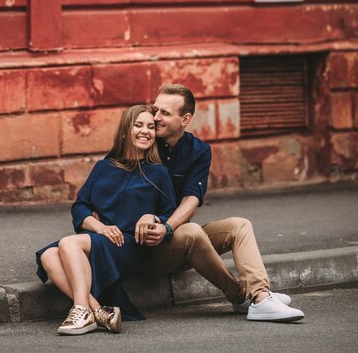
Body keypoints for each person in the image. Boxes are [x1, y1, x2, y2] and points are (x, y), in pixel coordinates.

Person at [130, 84, 305, 322]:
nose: (155, 117)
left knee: (239, 225)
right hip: (145, 248)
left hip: (176, 239)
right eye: (155, 110)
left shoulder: (199, 151)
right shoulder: (142, 140)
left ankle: (261, 296)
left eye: (165, 113)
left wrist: (168, 227)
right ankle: (242, 296)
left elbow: (191, 199)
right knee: (191, 230)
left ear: (185, 119)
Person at [36, 104, 176, 335]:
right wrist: (99, 227)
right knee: (49, 256)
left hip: (129, 244)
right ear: (124, 132)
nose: (145, 131)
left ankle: (80, 310)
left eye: (150, 127)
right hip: (102, 237)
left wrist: (152, 217)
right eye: (138, 125)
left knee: (68, 243)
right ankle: (99, 311)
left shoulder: (158, 173)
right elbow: (80, 206)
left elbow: (169, 213)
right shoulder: (103, 167)